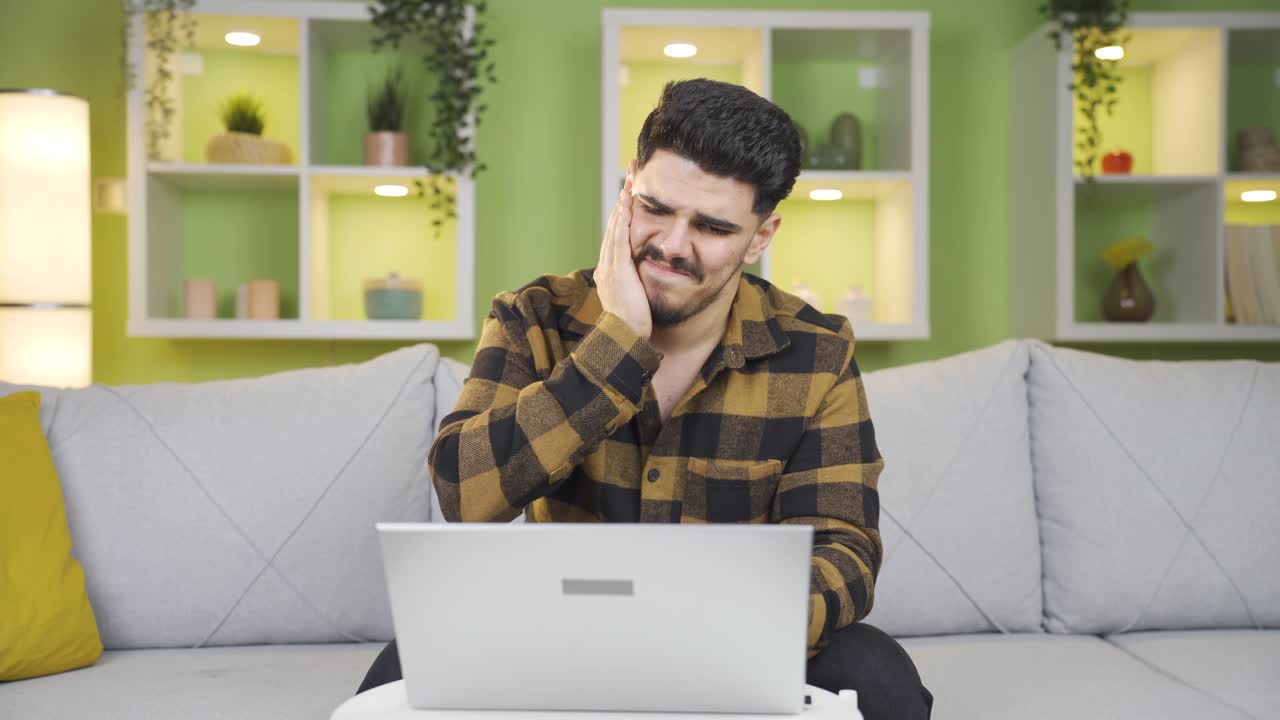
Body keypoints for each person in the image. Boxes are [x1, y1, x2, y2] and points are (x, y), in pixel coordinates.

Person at [358, 78, 932, 719]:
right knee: (398, 669)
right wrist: (616, 345)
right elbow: (464, 494)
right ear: (627, 188)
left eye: (712, 226)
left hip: (739, 644)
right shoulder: (533, 318)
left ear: (761, 236)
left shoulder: (817, 352)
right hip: (556, 635)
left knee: (878, 674)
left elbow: (844, 547)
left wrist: (730, 631)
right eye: (656, 208)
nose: (671, 246)